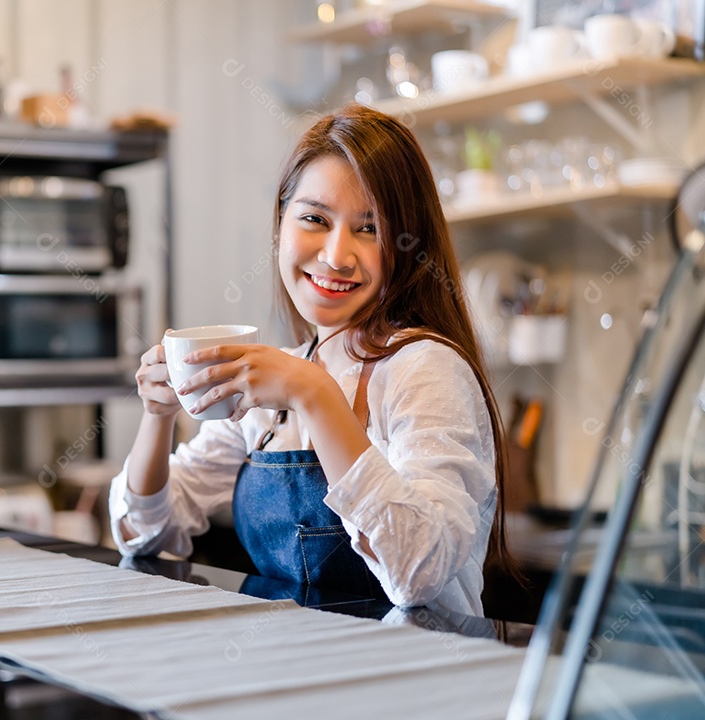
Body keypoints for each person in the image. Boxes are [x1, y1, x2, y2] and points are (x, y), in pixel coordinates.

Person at [108, 103, 513, 617]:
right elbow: (143, 534)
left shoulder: (423, 368)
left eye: (369, 228)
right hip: (288, 678)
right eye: (315, 219)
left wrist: (314, 394)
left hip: (409, 683)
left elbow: (419, 569)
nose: (337, 255)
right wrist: (159, 414)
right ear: (281, 225)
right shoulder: (277, 378)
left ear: (408, 247)